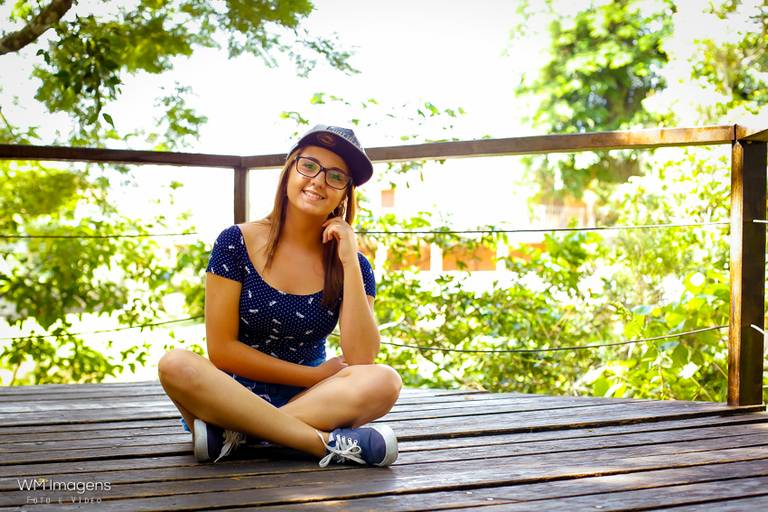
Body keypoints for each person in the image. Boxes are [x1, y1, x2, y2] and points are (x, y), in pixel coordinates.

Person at [157, 125, 402, 467]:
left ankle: (237, 437)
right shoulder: (235, 242)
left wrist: (348, 260)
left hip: (314, 400)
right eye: (309, 166)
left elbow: (362, 358)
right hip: (230, 395)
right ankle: (322, 443)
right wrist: (313, 375)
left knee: (385, 380)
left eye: (335, 176)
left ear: (345, 195)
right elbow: (222, 350)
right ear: (289, 170)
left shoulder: (353, 264)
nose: (318, 181)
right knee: (175, 364)